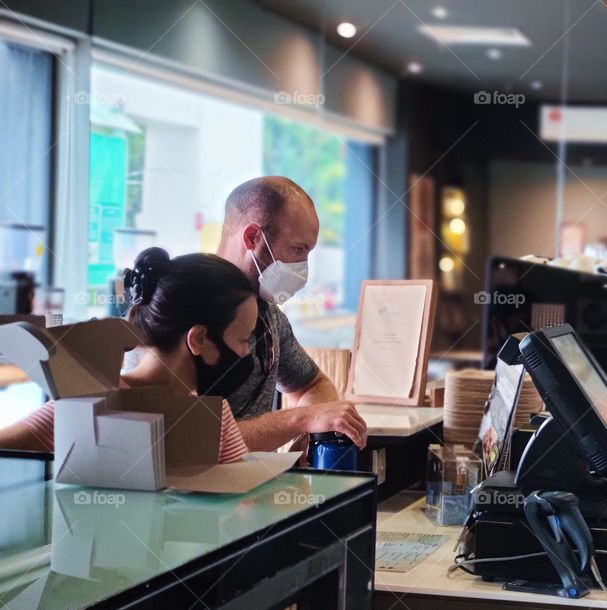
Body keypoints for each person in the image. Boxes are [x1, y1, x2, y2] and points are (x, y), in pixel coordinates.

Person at [0, 249, 255, 461]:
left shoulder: (215, 415)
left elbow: (240, 499)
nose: (246, 352)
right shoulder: (93, 401)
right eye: (243, 339)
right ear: (198, 339)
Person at [214, 176, 367, 452]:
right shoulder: (182, 305)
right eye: (298, 249)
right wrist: (301, 420)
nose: (303, 267)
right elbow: (193, 437)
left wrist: (305, 431)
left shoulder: (271, 317)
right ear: (252, 237)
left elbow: (313, 384)